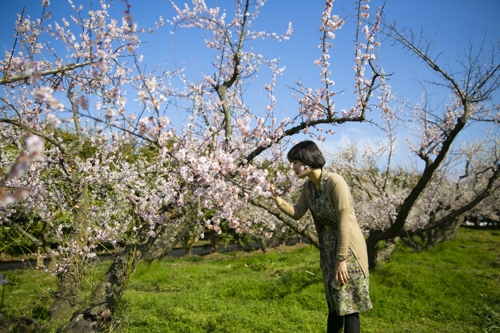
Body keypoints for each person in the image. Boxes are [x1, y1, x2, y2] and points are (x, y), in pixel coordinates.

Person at [271, 140, 372, 333]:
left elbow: (344, 223)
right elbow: (297, 212)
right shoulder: (309, 187)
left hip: (347, 248)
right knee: (334, 306)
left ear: (308, 160)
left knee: (349, 307)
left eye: (295, 162)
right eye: (292, 163)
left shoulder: (334, 181)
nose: (293, 167)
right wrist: (278, 201)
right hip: (328, 249)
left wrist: (341, 259)